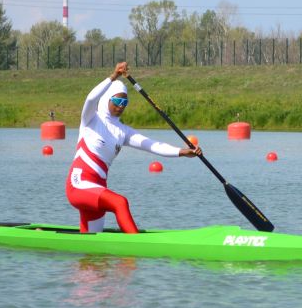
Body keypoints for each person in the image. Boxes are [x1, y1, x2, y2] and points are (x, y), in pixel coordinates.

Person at [66, 62, 201, 233]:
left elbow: (152, 145)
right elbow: (91, 99)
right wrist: (113, 75)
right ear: (107, 99)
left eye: (124, 101)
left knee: (92, 246)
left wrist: (182, 152)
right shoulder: (91, 119)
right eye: (117, 100)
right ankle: (133, 251)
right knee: (120, 202)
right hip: (79, 184)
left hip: (98, 188)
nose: (121, 105)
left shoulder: (123, 131)